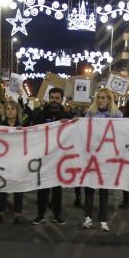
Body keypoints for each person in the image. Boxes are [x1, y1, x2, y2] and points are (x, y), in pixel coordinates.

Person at [31, 88, 74, 225]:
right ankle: (40, 214)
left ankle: (57, 214)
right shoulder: (39, 114)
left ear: (61, 99)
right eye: (52, 97)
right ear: (48, 98)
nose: (54, 100)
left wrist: (73, 122)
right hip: (43, 157)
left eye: (57, 98)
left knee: (57, 189)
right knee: (42, 188)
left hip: (59, 158)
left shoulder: (67, 116)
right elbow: (31, 131)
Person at [83, 89, 121, 232]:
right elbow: (81, 129)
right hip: (91, 156)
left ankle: (103, 220)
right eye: (98, 97)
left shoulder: (117, 115)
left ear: (109, 99)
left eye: (103, 98)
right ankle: (88, 217)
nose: (100, 100)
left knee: (104, 190)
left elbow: (125, 130)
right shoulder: (90, 114)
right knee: (89, 189)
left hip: (107, 157)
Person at [0, 100, 28, 224]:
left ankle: (17, 214)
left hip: (18, 162)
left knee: (18, 189)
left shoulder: (22, 126)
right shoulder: (0, 125)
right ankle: (0, 213)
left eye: (12, 109)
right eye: (8, 109)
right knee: (2, 189)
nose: (10, 111)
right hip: (3, 161)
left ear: (17, 111)